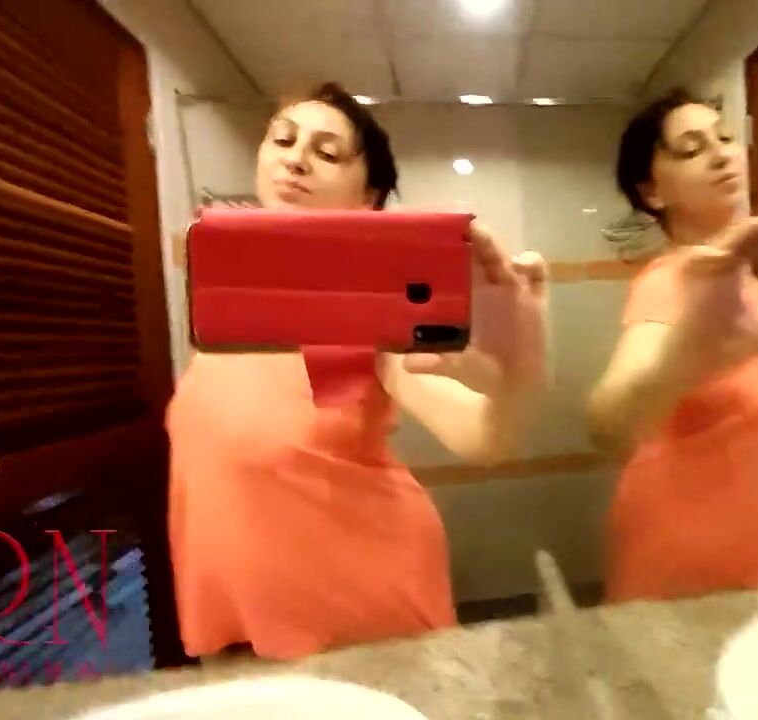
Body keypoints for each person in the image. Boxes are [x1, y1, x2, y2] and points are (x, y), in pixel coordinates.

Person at [166, 83, 548, 660]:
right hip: (248, 625)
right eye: (283, 140)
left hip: (360, 613)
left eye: (328, 152)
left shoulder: (367, 308)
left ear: (368, 196)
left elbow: (487, 437)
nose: (296, 159)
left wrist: (521, 363)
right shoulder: (231, 309)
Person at [587, 90, 758, 602]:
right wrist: (682, 362)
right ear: (652, 192)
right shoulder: (676, 279)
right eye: (691, 149)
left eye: (725, 137)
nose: (720, 154)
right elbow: (609, 424)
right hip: (702, 572)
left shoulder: (750, 288)